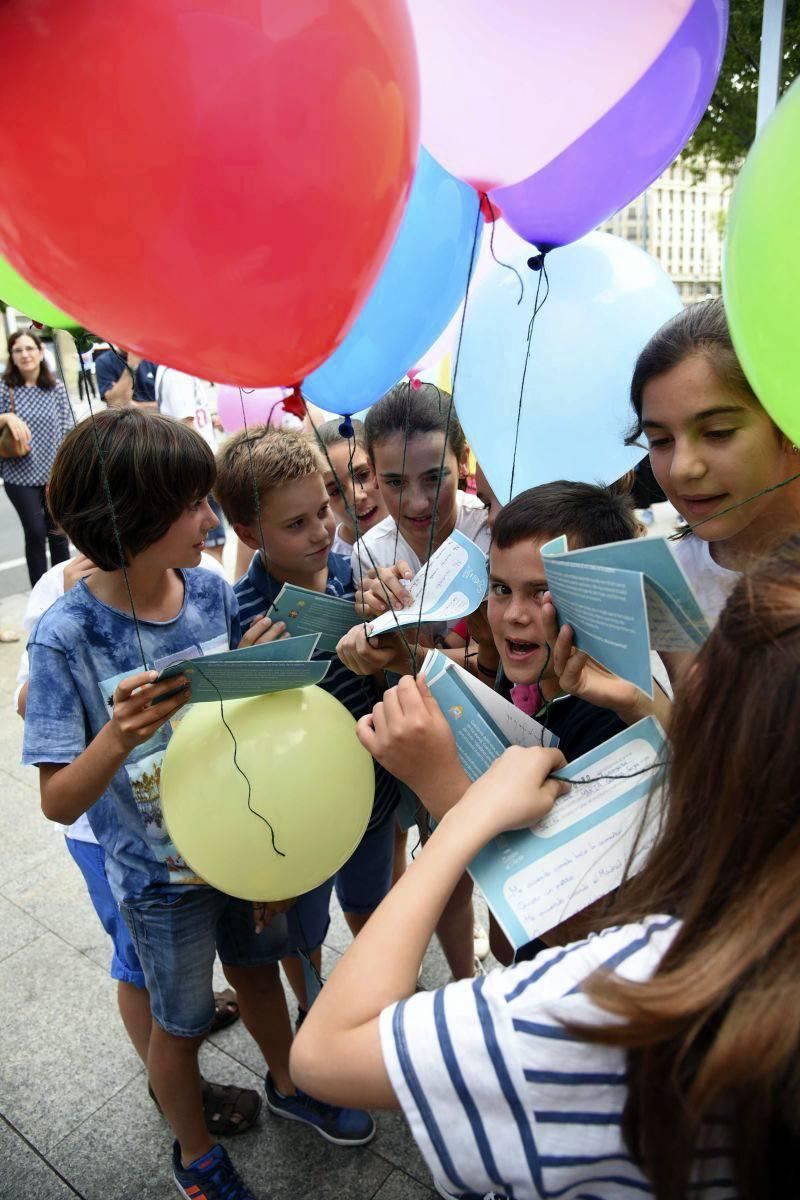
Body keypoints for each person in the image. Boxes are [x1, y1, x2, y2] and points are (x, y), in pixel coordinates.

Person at [291, 538, 800, 1199]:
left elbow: (326, 1054)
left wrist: (464, 812)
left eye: (698, 671)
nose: (514, 614)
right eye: (499, 589)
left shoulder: (630, 999)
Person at [22, 409, 370, 1200]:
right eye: (189, 504)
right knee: (178, 1028)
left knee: (255, 976)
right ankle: (196, 1153)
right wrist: (114, 738)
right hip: (159, 885)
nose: (209, 520)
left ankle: (288, 1082)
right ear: (133, 513)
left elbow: (237, 732)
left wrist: (250, 679)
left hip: (242, 857)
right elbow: (55, 798)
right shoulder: (66, 637)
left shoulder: (211, 594)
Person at [349, 482, 671, 971]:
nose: (515, 615)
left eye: (542, 591)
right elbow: (482, 670)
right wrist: (402, 652)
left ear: (601, 596)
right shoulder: (530, 670)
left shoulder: (614, 723)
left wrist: (445, 790)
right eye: (501, 589)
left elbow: (577, 929)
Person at [214, 426, 401, 1018]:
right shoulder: (242, 617)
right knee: (304, 929)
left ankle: (378, 997)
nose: (322, 530)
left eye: (324, 507)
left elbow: (385, 681)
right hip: (299, 817)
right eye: (296, 524)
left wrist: (387, 634)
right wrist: (250, 679)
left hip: (371, 790)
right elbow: (238, 738)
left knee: (373, 902)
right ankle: (313, 1009)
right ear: (248, 533)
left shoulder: (356, 576)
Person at [627, 296, 800, 626]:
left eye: (717, 432)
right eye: (660, 441)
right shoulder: (661, 593)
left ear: (787, 418)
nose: (682, 468)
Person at [0, 329, 72, 586]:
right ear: (12, 356)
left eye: (30, 348)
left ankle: (65, 589)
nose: (25, 355)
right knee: (35, 532)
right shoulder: (4, 388)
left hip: (53, 474)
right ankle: (40, 592)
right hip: (18, 475)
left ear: (41, 352)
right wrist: (6, 417)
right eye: (18, 350)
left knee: (58, 534)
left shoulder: (56, 388)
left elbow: (67, 430)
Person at [156, 366, 227, 563]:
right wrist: (206, 469)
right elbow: (186, 424)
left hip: (199, 465)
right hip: (198, 468)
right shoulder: (178, 372)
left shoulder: (177, 370)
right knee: (209, 544)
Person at [311, 418, 387, 556]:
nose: (356, 497)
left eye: (363, 475)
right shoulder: (328, 562)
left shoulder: (421, 523)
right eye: (335, 491)